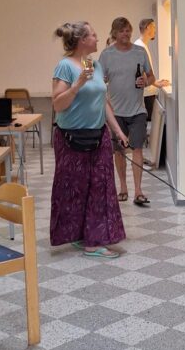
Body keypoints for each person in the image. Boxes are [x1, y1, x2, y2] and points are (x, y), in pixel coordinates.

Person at [50, 21, 129, 258]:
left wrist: (117, 131)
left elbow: (102, 101)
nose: (98, 38)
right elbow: (58, 104)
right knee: (74, 189)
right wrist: (78, 85)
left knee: (100, 188)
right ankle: (79, 236)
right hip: (71, 139)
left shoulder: (94, 64)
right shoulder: (65, 66)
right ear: (82, 40)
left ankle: (94, 240)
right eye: (93, 35)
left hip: (98, 136)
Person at [99, 16, 155, 206]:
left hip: (138, 110)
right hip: (116, 112)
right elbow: (100, 80)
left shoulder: (140, 52)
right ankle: (123, 187)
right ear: (114, 33)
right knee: (119, 150)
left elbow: (151, 77)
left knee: (137, 148)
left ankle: (138, 190)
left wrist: (145, 81)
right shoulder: (106, 55)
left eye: (128, 30)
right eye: (122, 31)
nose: (126, 33)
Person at [134, 18, 170, 120]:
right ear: (148, 27)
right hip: (145, 95)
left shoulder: (142, 45)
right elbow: (140, 71)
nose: (155, 30)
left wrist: (156, 81)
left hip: (147, 93)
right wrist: (156, 83)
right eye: (153, 27)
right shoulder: (139, 46)